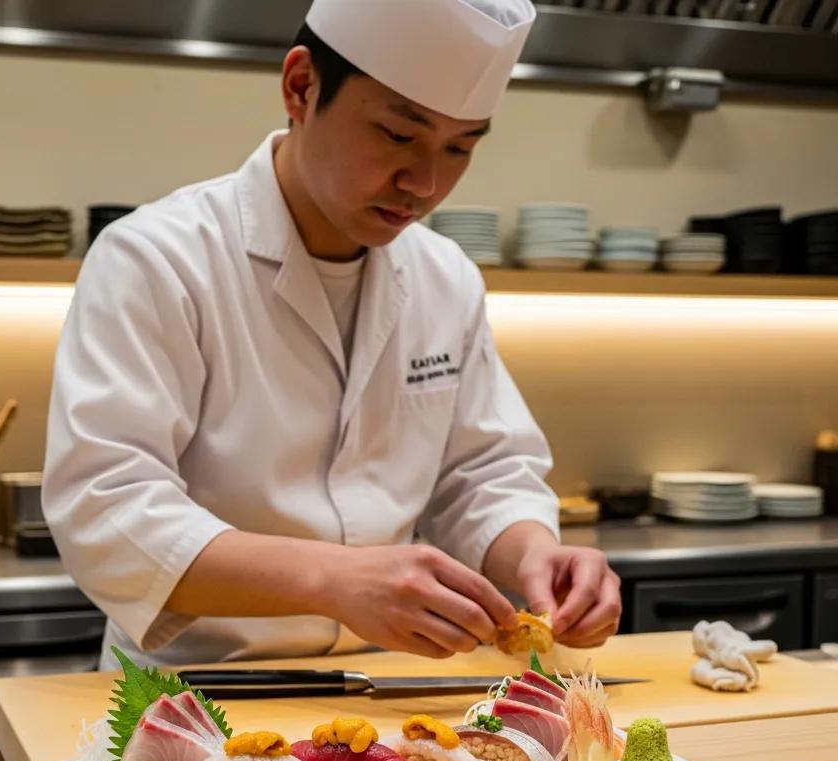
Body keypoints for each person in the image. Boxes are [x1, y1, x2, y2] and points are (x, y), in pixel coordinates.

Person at [43, 0, 621, 671]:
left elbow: (480, 473)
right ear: (300, 87)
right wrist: (335, 580)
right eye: (397, 135)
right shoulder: (159, 259)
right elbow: (107, 511)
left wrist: (534, 556)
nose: (426, 184)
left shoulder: (443, 276)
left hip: (394, 688)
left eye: (461, 147)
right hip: (200, 691)